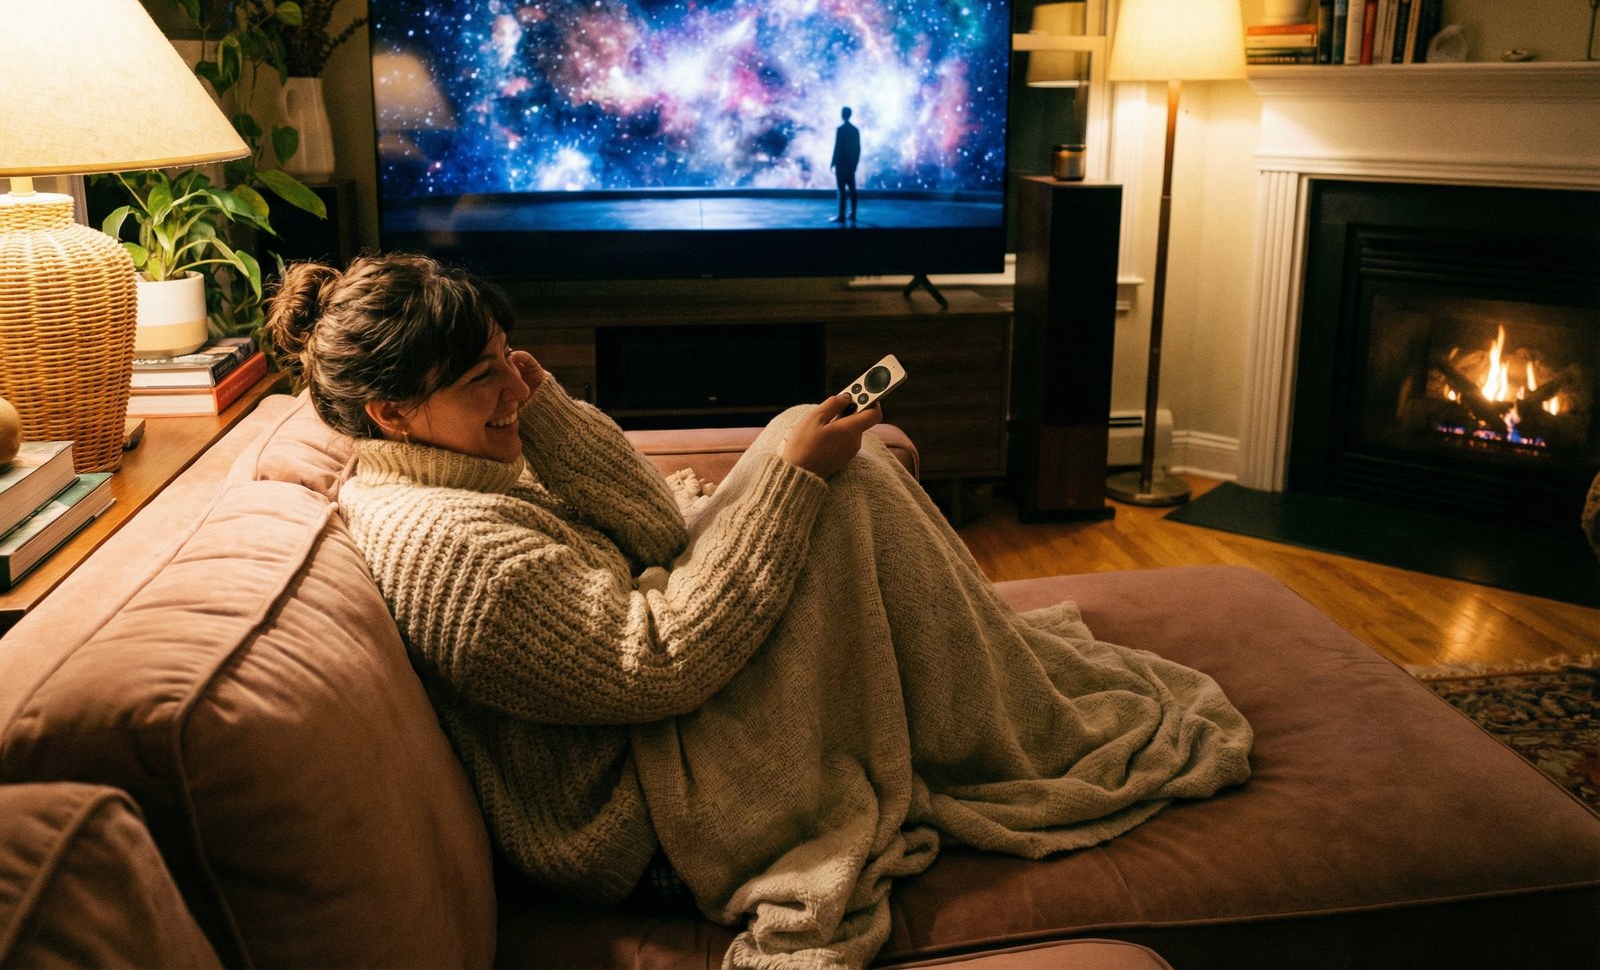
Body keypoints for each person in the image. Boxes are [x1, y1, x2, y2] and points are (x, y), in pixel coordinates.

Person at [267, 252, 1252, 969]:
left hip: (664, 731)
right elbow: (658, 662)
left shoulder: (461, 462)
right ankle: (1011, 718)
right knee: (827, 477)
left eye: (506, 356)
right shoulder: (447, 548)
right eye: (480, 376)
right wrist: (791, 481)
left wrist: (542, 408)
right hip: (653, 819)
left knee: (807, 442)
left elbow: (655, 531)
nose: (507, 388)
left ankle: (994, 685)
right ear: (390, 411)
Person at [829, 105, 860, 223]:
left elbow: (837, 148)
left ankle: (841, 216)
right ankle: (853, 214)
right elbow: (858, 149)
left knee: (841, 191)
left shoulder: (840, 129)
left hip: (841, 164)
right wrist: (855, 164)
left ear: (843, 115)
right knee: (852, 190)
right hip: (850, 165)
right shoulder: (855, 130)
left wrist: (833, 162)